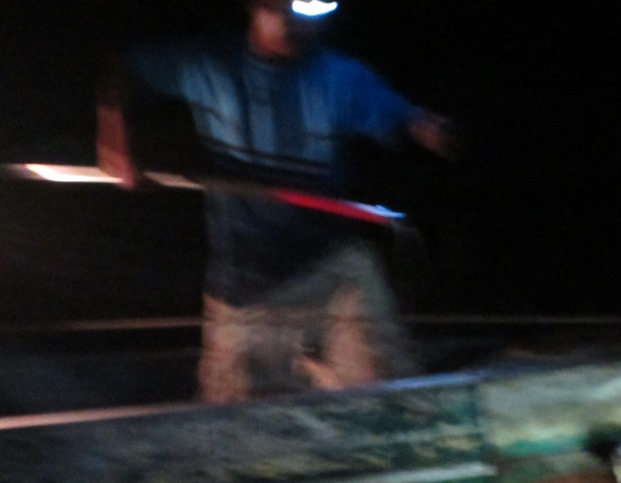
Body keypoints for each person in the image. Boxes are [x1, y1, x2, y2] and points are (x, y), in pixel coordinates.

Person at [97, 0, 455, 402]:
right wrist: (114, 141)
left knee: (396, 396)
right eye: (282, 12)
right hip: (246, 284)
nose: (295, 26)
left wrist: (431, 129)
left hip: (334, 269)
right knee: (238, 421)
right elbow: (120, 69)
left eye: (307, 16)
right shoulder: (207, 64)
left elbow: (406, 119)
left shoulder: (341, 77)